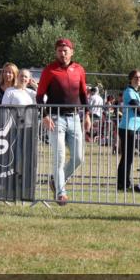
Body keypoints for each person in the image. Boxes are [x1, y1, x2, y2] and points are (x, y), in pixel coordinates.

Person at [36, 38, 91, 206]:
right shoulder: (49, 70)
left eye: (65, 50)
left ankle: (56, 181)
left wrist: (87, 114)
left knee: (79, 157)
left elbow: (83, 94)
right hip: (55, 118)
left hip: (74, 118)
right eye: (59, 50)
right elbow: (39, 96)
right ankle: (61, 192)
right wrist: (44, 115)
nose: (62, 53)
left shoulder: (79, 69)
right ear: (56, 52)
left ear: (72, 52)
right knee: (59, 156)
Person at [117, 70, 140, 191]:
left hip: (131, 128)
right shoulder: (129, 92)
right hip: (127, 128)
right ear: (130, 79)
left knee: (128, 158)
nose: (138, 79)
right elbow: (136, 107)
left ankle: (124, 183)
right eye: (136, 77)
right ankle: (123, 184)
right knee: (127, 157)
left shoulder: (135, 92)